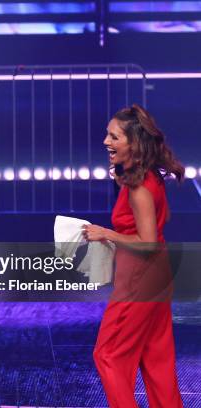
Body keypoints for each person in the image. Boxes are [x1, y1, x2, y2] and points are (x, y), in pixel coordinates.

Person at [83, 104, 184, 407]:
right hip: (158, 276)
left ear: (133, 144)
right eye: (107, 135)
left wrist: (106, 234)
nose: (106, 142)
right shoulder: (146, 177)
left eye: (114, 137)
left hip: (141, 279)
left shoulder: (140, 186)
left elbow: (147, 242)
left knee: (109, 354)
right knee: (157, 360)